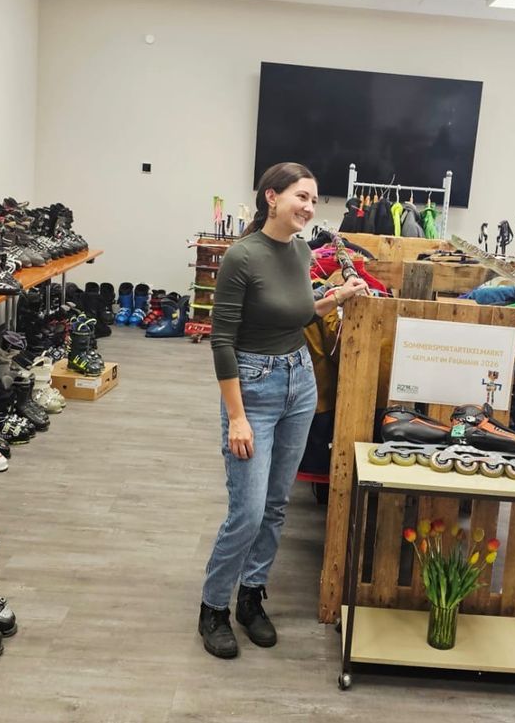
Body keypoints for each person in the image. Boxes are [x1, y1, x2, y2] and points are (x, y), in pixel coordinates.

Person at [199, 162, 368, 660]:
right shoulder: (241, 257)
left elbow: (297, 313)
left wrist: (335, 298)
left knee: (276, 506)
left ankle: (251, 597)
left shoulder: (299, 250)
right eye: (301, 196)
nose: (309, 207)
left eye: (314, 200)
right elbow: (222, 342)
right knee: (247, 511)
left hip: (299, 382)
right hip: (252, 385)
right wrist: (236, 416)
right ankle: (214, 607)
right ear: (271, 196)